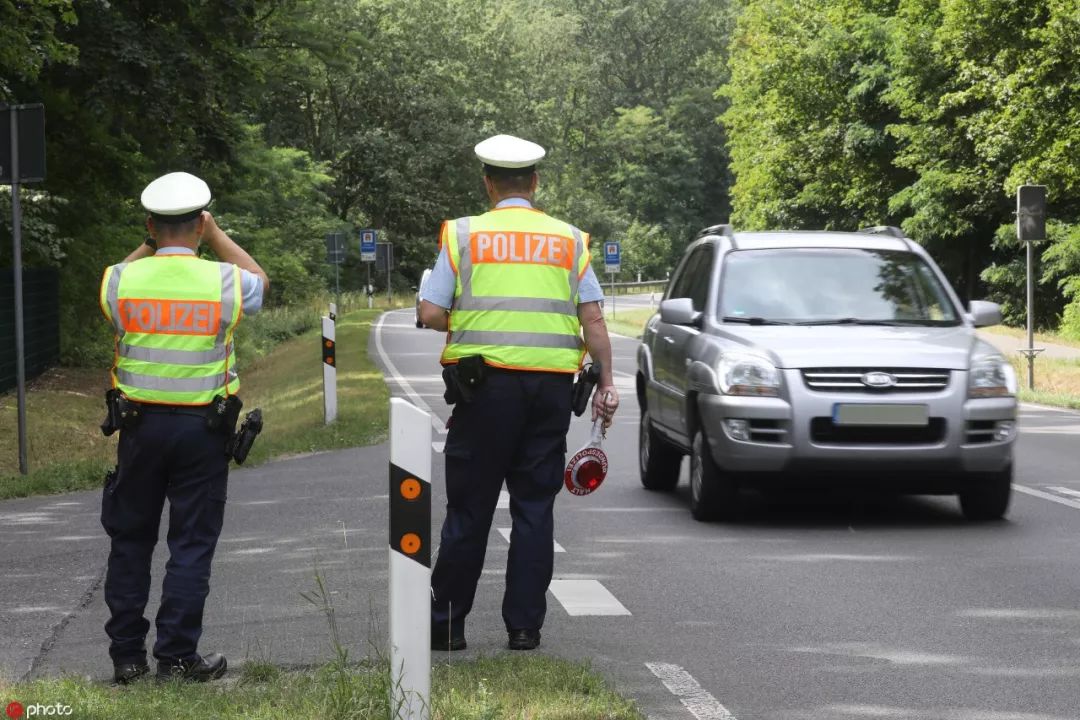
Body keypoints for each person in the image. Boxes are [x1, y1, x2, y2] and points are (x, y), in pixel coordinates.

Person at [418, 134, 618, 652]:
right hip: (550, 393)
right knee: (534, 507)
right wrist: (609, 381)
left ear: (488, 183)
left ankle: (446, 626)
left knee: (469, 508)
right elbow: (592, 317)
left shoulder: (464, 235)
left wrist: (473, 322)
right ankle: (524, 628)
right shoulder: (569, 240)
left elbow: (431, 312)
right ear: (534, 183)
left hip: (483, 392)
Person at [98, 172, 269, 684]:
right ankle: (175, 657)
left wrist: (149, 243)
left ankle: (127, 658)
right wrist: (215, 237)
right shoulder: (223, 282)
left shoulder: (121, 280)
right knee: (191, 545)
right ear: (199, 224)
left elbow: (113, 280)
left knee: (130, 541)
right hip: (203, 431)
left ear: (150, 225)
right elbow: (260, 281)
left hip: (139, 429)